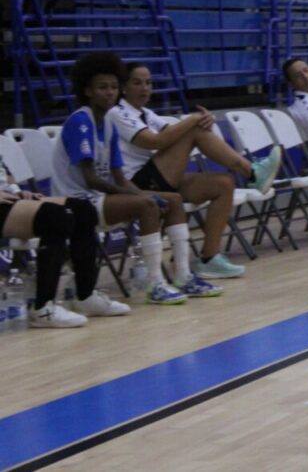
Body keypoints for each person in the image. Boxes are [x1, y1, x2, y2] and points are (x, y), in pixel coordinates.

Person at [51, 52, 216, 305]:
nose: (110, 93)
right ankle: (155, 283)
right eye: (102, 88)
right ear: (87, 91)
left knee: (172, 199)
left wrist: (141, 193)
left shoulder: (108, 124)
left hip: (99, 198)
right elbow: (92, 178)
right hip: (74, 200)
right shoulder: (81, 122)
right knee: (147, 204)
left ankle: (183, 275)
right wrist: (140, 197)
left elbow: (120, 177)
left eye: (114, 87)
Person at [111, 63, 281, 280]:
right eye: (137, 83)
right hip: (134, 185)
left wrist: (201, 122)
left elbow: (172, 134)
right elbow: (155, 140)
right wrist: (193, 120)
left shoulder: (145, 113)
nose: (144, 88)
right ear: (124, 88)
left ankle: (209, 259)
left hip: (155, 176)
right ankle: (253, 173)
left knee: (224, 184)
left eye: (148, 83)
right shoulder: (118, 113)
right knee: (193, 129)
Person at [1, 167, 129, 328]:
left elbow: (4, 173)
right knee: (56, 217)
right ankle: (42, 308)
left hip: (7, 199)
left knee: (84, 211)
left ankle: (86, 297)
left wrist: (16, 191)